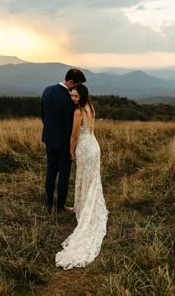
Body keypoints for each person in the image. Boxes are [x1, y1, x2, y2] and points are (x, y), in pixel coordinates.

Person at [55, 84, 108, 270]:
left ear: (82, 96)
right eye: (72, 95)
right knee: (92, 179)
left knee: (85, 179)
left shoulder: (78, 112)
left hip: (85, 148)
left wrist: (71, 151)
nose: (73, 99)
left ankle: (84, 208)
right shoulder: (91, 108)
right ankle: (87, 205)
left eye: (75, 96)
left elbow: (75, 135)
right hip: (95, 146)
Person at [41, 69, 86, 212]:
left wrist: (51, 131)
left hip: (49, 138)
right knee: (64, 174)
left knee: (50, 169)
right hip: (64, 143)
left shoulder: (47, 90)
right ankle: (60, 205)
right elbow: (70, 126)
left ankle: (49, 201)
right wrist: (71, 148)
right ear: (71, 82)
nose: (77, 89)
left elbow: (43, 115)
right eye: (77, 85)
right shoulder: (69, 100)